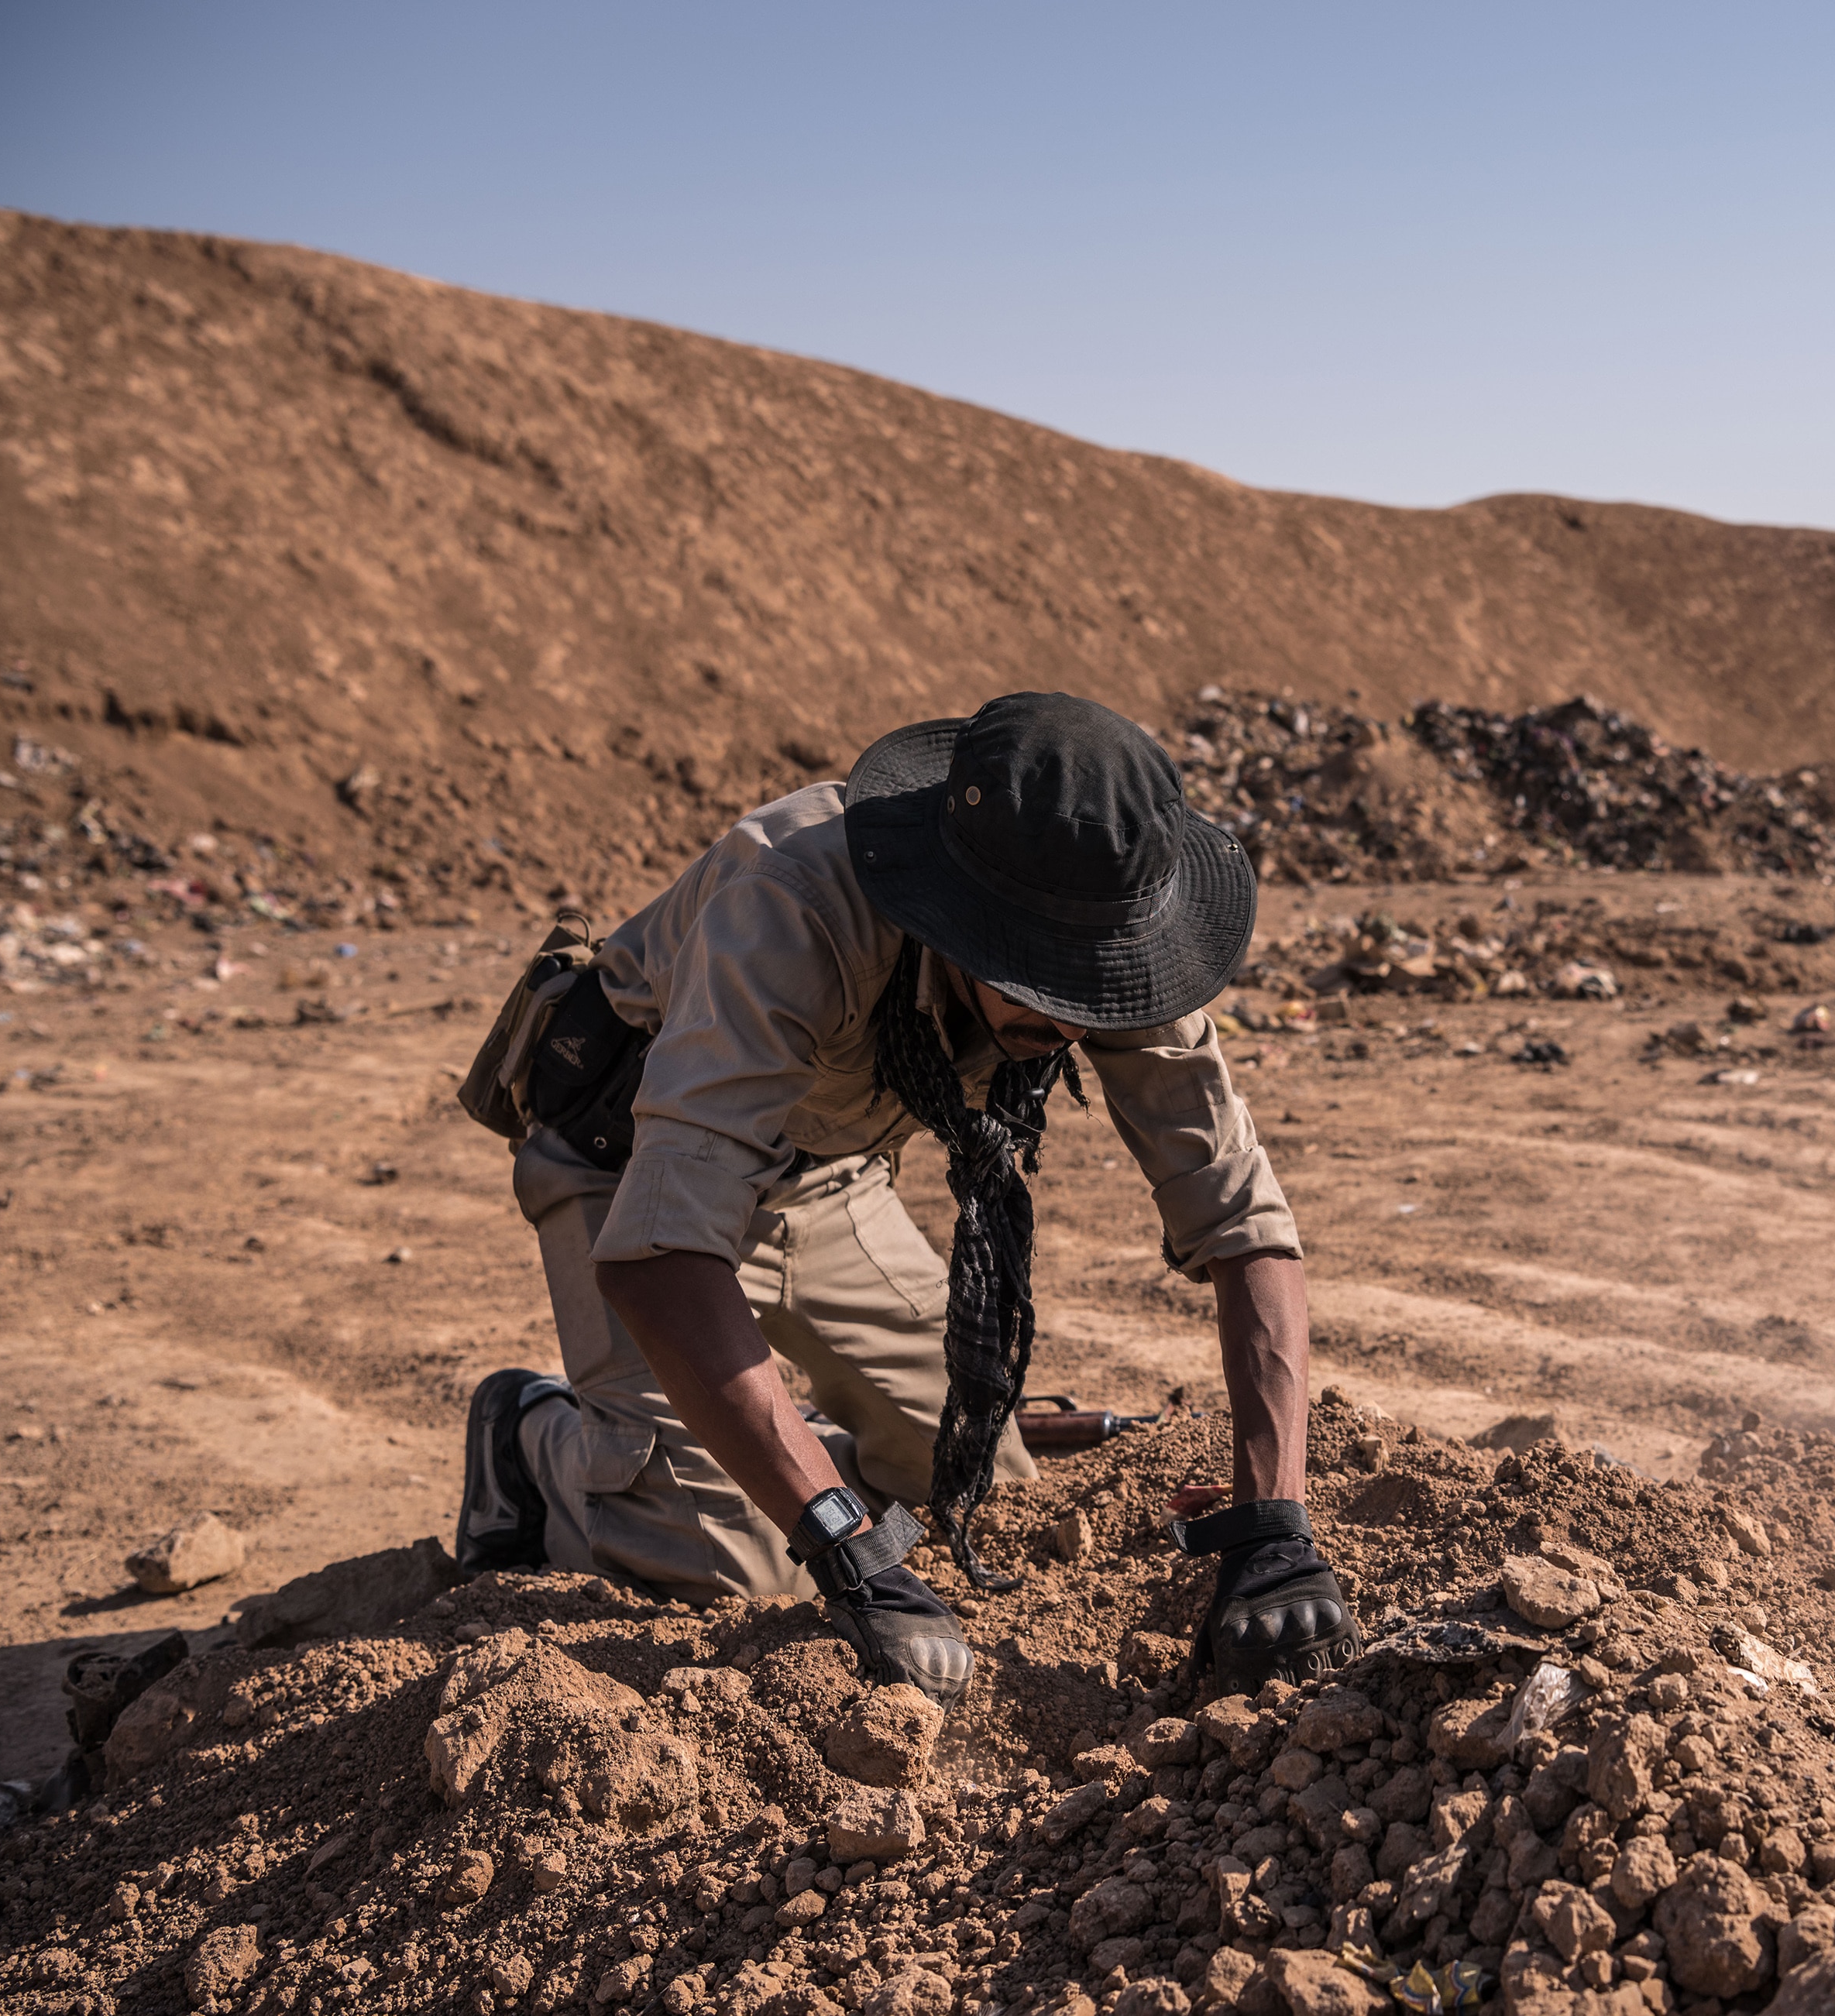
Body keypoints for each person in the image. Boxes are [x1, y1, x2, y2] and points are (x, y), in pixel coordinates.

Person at [449, 692, 1353, 1704]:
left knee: (979, 1487)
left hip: (830, 1178)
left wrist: (1276, 1525)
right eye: (1039, 981)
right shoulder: (789, 898)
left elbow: (1245, 1223)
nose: (1070, 1019)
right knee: (725, 1572)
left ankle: (790, 1443)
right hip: (628, 1170)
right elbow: (663, 1259)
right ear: (953, 916)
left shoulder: (1115, 933)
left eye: (1096, 987)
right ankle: (532, 1434)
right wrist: (845, 1546)